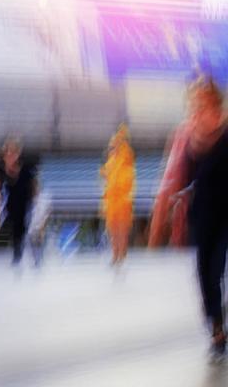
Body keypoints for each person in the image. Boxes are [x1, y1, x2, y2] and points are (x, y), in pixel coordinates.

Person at [148, 77, 228, 356]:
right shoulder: (185, 135)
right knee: (204, 272)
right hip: (203, 214)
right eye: (192, 105)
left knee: (217, 266)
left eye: (202, 104)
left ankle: (218, 326)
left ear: (216, 106)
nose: (196, 111)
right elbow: (171, 180)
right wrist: (161, 221)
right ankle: (216, 322)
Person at [0, 137, 38, 266]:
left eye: (14, 150)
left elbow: (34, 184)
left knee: (25, 227)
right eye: (8, 150)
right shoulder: (0, 166)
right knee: (15, 226)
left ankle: (31, 254)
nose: (10, 153)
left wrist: (36, 200)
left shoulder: (27, 165)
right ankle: (18, 252)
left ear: (19, 152)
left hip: (26, 199)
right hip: (11, 200)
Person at [100, 124, 135, 266]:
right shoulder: (110, 161)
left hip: (122, 201)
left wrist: (121, 136)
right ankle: (115, 254)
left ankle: (121, 254)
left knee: (122, 229)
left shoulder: (126, 158)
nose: (112, 147)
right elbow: (106, 178)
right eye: (111, 145)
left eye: (114, 144)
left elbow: (126, 180)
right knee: (112, 229)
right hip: (111, 202)